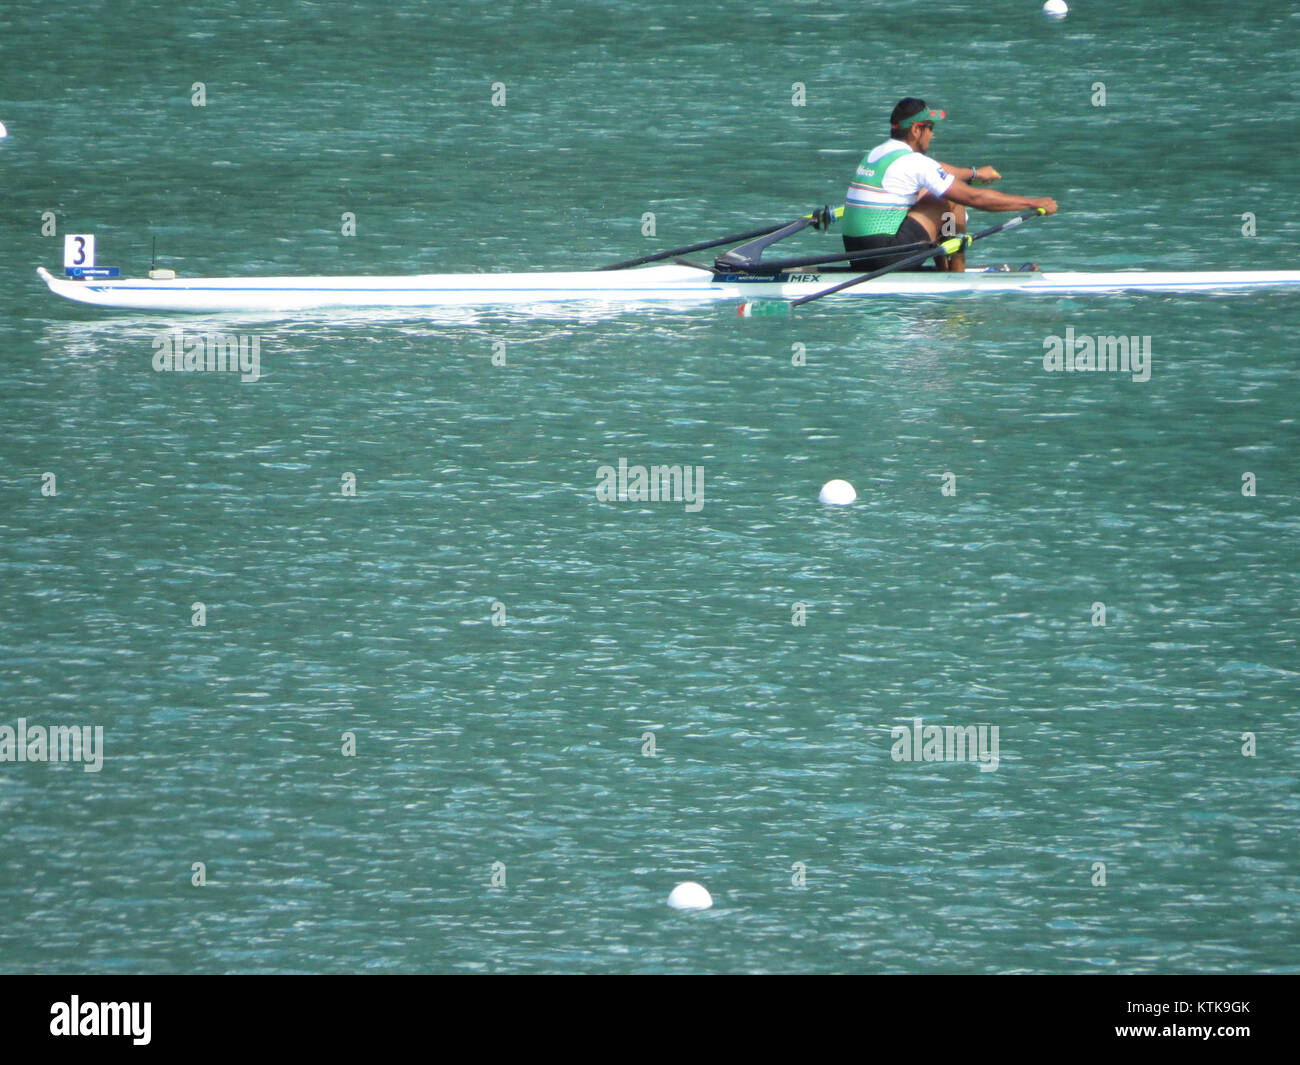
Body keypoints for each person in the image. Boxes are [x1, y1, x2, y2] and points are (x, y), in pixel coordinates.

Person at [842, 98, 1058, 271]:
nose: (933, 134)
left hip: (856, 256)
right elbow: (974, 198)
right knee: (950, 199)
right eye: (930, 127)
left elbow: (938, 168)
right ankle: (955, 274)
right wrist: (1033, 202)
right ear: (916, 130)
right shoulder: (914, 162)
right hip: (885, 258)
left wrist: (974, 174)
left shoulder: (877, 154)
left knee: (931, 191)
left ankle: (943, 268)